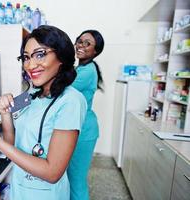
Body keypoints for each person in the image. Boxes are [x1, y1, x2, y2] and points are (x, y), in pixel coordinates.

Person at [0, 25, 87, 200]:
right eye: (26, 57)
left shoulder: (71, 101)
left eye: (40, 54)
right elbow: (11, 144)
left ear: (62, 56)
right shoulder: (30, 95)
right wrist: (4, 112)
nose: (30, 64)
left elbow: (52, 173)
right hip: (20, 188)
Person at [67, 30, 104, 200]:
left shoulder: (87, 72)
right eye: (79, 41)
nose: (81, 45)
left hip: (84, 131)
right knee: (70, 178)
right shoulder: (80, 68)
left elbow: (54, 90)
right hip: (77, 128)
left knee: (76, 180)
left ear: (95, 51)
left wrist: (17, 103)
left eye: (87, 43)